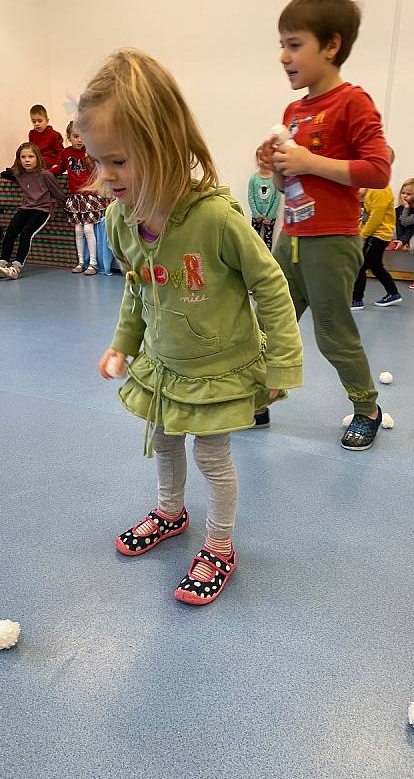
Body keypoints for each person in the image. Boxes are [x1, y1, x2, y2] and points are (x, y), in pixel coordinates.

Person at [77, 49, 302, 606]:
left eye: (120, 162)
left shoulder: (216, 219)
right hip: (165, 364)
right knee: (165, 440)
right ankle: (171, 512)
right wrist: (122, 343)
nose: (105, 177)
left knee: (212, 457)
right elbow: (137, 285)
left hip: (219, 368)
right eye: (97, 161)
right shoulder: (120, 218)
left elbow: (271, 285)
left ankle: (221, 544)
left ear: (166, 148)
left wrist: (281, 363)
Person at [260, 0, 391, 450]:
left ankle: (366, 407)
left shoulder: (353, 102)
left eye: (294, 44)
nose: (283, 56)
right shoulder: (294, 110)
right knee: (269, 324)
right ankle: (261, 396)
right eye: (282, 44)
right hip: (289, 236)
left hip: (331, 240)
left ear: (331, 46)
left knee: (333, 332)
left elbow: (378, 169)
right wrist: (277, 168)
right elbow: (286, 183)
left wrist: (309, 163)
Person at [0, 143, 66, 280]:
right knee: (11, 232)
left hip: (41, 210)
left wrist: (68, 209)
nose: (27, 160)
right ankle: (2, 263)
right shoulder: (19, 174)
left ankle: (16, 268)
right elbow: (7, 174)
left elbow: (58, 194)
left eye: (30, 156)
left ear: (37, 158)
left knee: (26, 234)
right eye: (23, 157)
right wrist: (9, 173)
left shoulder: (46, 175)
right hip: (25, 208)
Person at [53, 120, 107, 275]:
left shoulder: (91, 152)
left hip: (89, 197)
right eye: (76, 136)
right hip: (75, 197)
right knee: (78, 230)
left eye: (83, 136)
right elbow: (59, 168)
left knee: (88, 229)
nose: (80, 139)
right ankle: (80, 262)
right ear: (69, 137)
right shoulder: (66, 153)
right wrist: (46, 172)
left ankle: (93, 263)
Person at [351, 149, 400, 309]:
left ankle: (356, 299)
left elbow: (376, 218)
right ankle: (393, 293)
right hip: (373, 233)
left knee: (361, 265)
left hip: (378, 235)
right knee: (376, 266)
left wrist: (363, 235)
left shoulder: (381, 189)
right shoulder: (371, 187)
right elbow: (367, 214)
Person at [248, 145, 281, 250]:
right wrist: (256, 214)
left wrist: (269, 216)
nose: (263, 160)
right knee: (254, 240)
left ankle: (267, 262)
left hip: (270, 217)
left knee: (268, 241)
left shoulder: (275, 179)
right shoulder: (253, 179)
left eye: (266, 157)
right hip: (256, 216)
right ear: (257, 160)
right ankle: (255, 260)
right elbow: (251, 197)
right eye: (260, 157)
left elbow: (277, 198)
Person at [392, 177, 414, 252]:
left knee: (413, 246)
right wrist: (400, 240)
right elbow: (399, 226)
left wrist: (404, 241)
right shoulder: (398, 210)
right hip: (406, 233)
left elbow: (411, 229)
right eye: (403, 193)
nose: (404, 196)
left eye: (408, 194)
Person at [28, 104, 64, 171]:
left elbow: (60, 152)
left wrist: (56, 164)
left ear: (47, 121)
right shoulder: (32, 134)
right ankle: (14, 171)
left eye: (40, 121)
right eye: (34, 121)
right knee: (23, 153)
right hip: (36, 161)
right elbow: (31, 150)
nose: (37, 124)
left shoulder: (54, 134)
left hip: (50, 162)